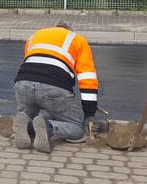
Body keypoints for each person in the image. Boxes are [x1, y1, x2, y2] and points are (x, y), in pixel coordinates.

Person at [13, 20, 99, 153]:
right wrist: (89, 113)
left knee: (32, 111)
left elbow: (29, 62)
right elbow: (87, 78)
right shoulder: (78, 40)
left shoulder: (35, 36)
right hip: (53, 87)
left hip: (23, 83)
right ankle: (48, 127)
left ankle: (24, 121)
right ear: (69, 30)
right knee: (77, 128)